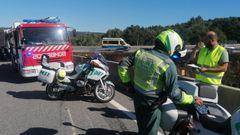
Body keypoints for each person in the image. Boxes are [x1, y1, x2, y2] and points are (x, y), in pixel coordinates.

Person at [118, 29, 203, 135]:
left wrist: (128, 84)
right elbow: (175, 94)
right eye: (177, 48)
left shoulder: (140, 52)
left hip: (137, 97)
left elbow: (122, 65)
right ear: (171, 45)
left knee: (142, 127)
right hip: (152, 104)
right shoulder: (168, 64)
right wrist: (192, 99)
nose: (176, 52)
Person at [189, 31, 229, 102]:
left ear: (213, 40)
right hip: (198, 83)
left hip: (211, 85)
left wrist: (206, 69)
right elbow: (192, 59)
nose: (204, 42)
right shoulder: (203, 50)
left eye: (205, 41)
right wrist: (195, 48)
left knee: (205, 106)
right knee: (196, 105)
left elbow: (224, 68)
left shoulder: (222, 51)